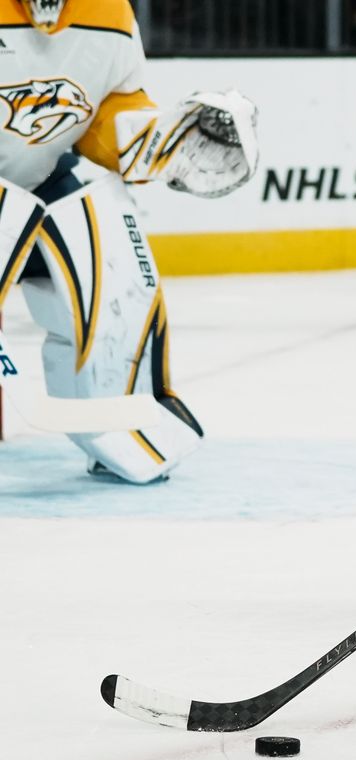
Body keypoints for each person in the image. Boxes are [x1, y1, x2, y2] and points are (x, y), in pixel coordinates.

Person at [0, 0, 258, 483]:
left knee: (106, 216)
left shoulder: (110, 13)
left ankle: (118, 419)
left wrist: (156, 142)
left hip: (39, 174)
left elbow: (108, 105)